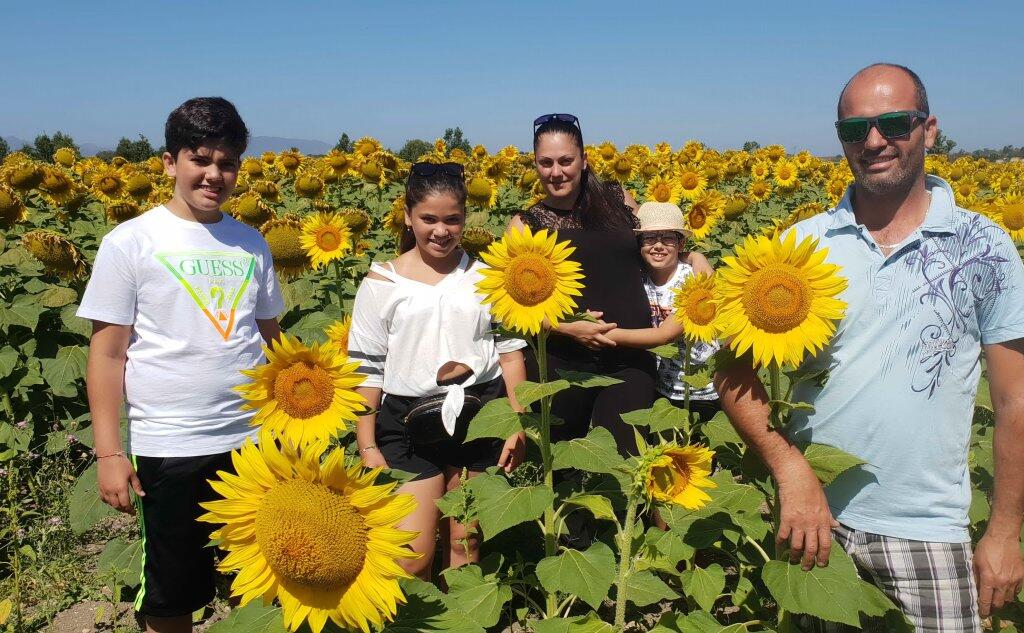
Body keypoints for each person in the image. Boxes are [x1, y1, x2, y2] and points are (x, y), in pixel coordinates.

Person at [715, 63, 1024, 631]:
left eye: (894, 123)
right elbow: (731, 370)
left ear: (929, 129)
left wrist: (1004, 530)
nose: (875, 141)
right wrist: (791, 471)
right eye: (855, 130)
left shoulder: (986, 246)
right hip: (814, 524)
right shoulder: (798, 246)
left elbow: (1015, 400)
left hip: (929, 530)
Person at [80, 97, 284, 633]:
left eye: (227, 162)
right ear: (170, 162)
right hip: (169, 443)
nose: (214, 174)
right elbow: (106, 354)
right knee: (172, 591)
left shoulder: (251, 242)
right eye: (200, 159)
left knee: (259, 578)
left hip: (251, 441)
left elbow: (271, 341)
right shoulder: (131, 242)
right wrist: (108, 451)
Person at [349, 162, 527, 579]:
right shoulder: (382, 282)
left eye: (452, 220)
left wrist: (516, 424)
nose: (440, 230)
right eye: (429, 219)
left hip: (481, 414)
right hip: (406, 422)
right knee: (411, 556)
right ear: (408, 216)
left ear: (465, 219)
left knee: (467, 545)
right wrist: (367, 445)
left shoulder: (487, 278)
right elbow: (367, 369)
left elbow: (511, 355)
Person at [509, 114, 712, 456]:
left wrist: (693, 257)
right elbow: (514, 304)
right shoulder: (525, 223)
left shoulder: (618, 199)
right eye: (546, 163)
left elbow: (656, 243)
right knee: (562, 458)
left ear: (584, 160)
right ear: (536, 165)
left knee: (626, 456)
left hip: (633, 355)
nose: (556, 172)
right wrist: (567, 328)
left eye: (565, 161)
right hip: (564, 359)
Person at [605, 202, 721, 423]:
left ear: (681, 244)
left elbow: (664, 335)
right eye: (649, 238)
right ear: (639, 244)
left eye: (668, 238)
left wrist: (603, 334)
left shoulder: (691, 280)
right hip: (664, 387)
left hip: (702, 387)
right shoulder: (639, 280)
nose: (658, 245)